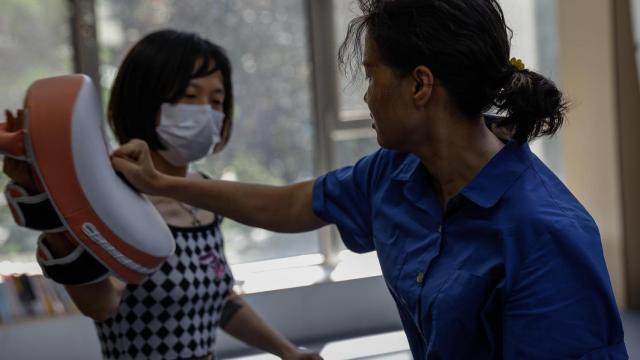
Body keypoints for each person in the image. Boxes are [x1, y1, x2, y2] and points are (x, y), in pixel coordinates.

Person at [111, 1, 628, 359]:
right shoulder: (397, 172)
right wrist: (166, 184)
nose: (365, 97)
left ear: (420, 85)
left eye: (373, 74)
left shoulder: (546, 236)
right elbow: (292, 206)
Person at [3, 29, 321, 360]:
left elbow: (220, 301)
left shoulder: (205, 197)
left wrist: (287, 352)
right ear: (145, 99)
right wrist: (48, 209)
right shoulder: (113, 197)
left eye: (216, 101)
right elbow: (100, 304)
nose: (206, 113)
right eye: (188, 96)